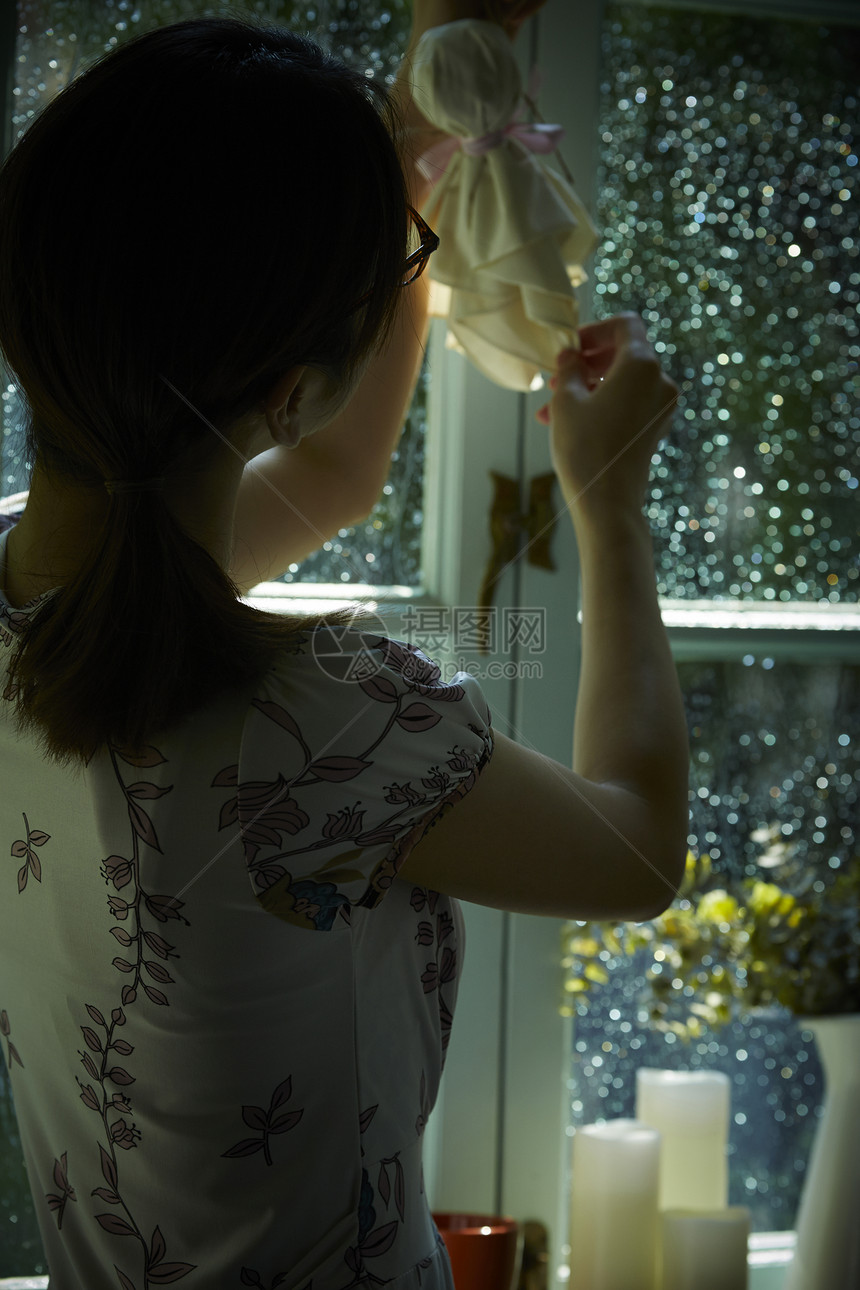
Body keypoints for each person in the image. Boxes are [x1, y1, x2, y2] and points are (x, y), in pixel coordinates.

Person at [0, 3, 688, 1287]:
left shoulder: (29, 597)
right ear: (286, 382)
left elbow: (328, 475)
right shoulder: (326, 725)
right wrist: (608, 508)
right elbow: (636, 848)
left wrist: (407, 147)